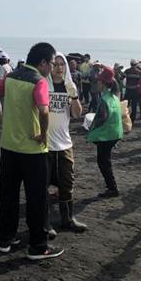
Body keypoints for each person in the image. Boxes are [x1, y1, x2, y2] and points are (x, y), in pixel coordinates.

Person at [0, 42, 63, 260]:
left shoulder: (10, 77)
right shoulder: (39, 81)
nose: (52, 67)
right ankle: (38, 247)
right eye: (51, 63)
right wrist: (43, 133)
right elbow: (44, 110)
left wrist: (1, 121)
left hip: (9, 147)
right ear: (43, 62)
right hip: (33, 151)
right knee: (37, 199)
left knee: (8, 195)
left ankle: (5, 238)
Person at [43, 54, 87, 233]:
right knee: (43, 185)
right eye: (56, 64)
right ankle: (45, 223)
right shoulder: (43, 85)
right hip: (44, 144)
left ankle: (67, 219)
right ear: (50, 66)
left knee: (67, 183)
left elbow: (76, 114)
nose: (59, 67)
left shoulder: (69, 86)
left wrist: (74, 96)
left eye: (62, 64)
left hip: (64, 144)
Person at [87, 66, 124, 198]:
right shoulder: (114, 96)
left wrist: (90, 127)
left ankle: (112, 188)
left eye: (98, 81)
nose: (96, 83)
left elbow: (101, 118)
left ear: (102, 83)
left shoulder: (104, 99)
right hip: (115, 133)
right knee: (105, 161)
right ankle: (112, 187)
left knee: (103, 162)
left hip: (106, 135)